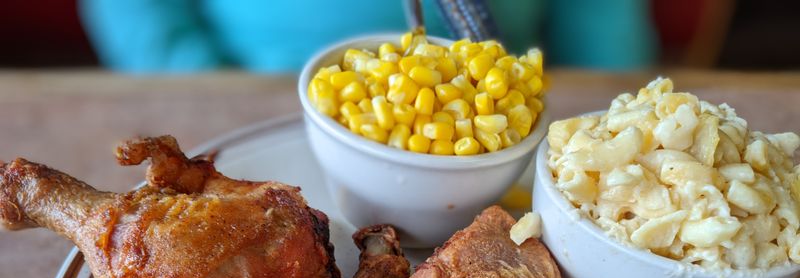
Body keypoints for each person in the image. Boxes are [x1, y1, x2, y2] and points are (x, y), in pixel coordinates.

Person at [79, 0, 657, 73]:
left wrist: (605, 89)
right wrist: (201, 83)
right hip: (256, 80)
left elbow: (602, 15)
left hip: (507, 89)